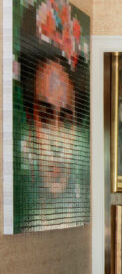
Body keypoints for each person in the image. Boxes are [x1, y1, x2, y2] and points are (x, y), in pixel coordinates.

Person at [16, 14, 90, 232]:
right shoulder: (26, 221)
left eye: (66, 121)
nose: (56, 144)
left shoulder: (81, 217)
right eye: (46, 118)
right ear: (31, 122)